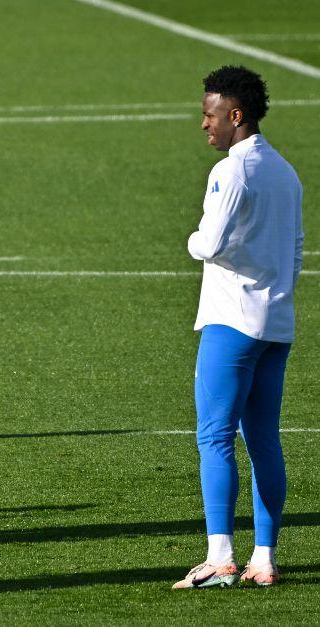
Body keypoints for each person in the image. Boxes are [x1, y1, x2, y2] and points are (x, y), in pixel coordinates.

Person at [173, 66, 303, 589]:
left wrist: (191, 239)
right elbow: (295, 251)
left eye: (210, 115)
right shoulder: (285, 172)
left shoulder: (232, 171)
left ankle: (221, 557)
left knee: (215, 436)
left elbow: (209, 243)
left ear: (235, 114)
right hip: (276, 323)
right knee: (264, 439)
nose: (204, 125)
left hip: (232, 321)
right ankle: (264, 559)